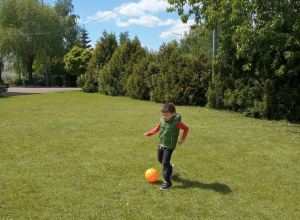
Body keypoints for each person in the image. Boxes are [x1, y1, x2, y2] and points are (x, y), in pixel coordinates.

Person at [144, 102, 189, 190]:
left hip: (170, 145)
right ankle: (170, 168)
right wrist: (150, 133)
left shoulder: (177, 123)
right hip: (161, 143)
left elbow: (186, 128)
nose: (164, 117)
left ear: (173, 114)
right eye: (163, 115)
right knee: (160, 159)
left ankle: (168, 182)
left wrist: (182, 139)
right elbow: (157, 128)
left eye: (166, 115)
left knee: (165, 163)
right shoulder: (162, 120)